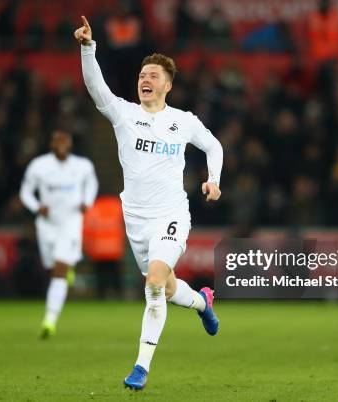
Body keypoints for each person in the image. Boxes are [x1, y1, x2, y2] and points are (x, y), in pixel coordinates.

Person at [74, 16, 223, 390]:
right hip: (136, 221)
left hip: (172, 215)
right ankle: (203, 303)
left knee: (154, 283)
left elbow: (213, 146)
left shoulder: (183, 121)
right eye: (144, 73)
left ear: (168, 85)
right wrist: (88, 48)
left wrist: (213, 180)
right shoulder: (124, 115)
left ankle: (141, 367)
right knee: (167, 288)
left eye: (155, 75)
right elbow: (96, 88)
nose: (147, 79)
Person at [19, 130, 98, 338]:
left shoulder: (83, 166)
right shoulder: (39, 166)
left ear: (70, 145)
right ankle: (66, 268)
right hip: (47, 225)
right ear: (51, 145)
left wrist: (87, 202)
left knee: (59, 270)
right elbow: (25, 192)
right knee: (52, 268)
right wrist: (37, 207)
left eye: (65, 142)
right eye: (57, 142)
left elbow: (91, 184)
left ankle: (49, 320)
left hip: (71, 222)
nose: (61, 145)